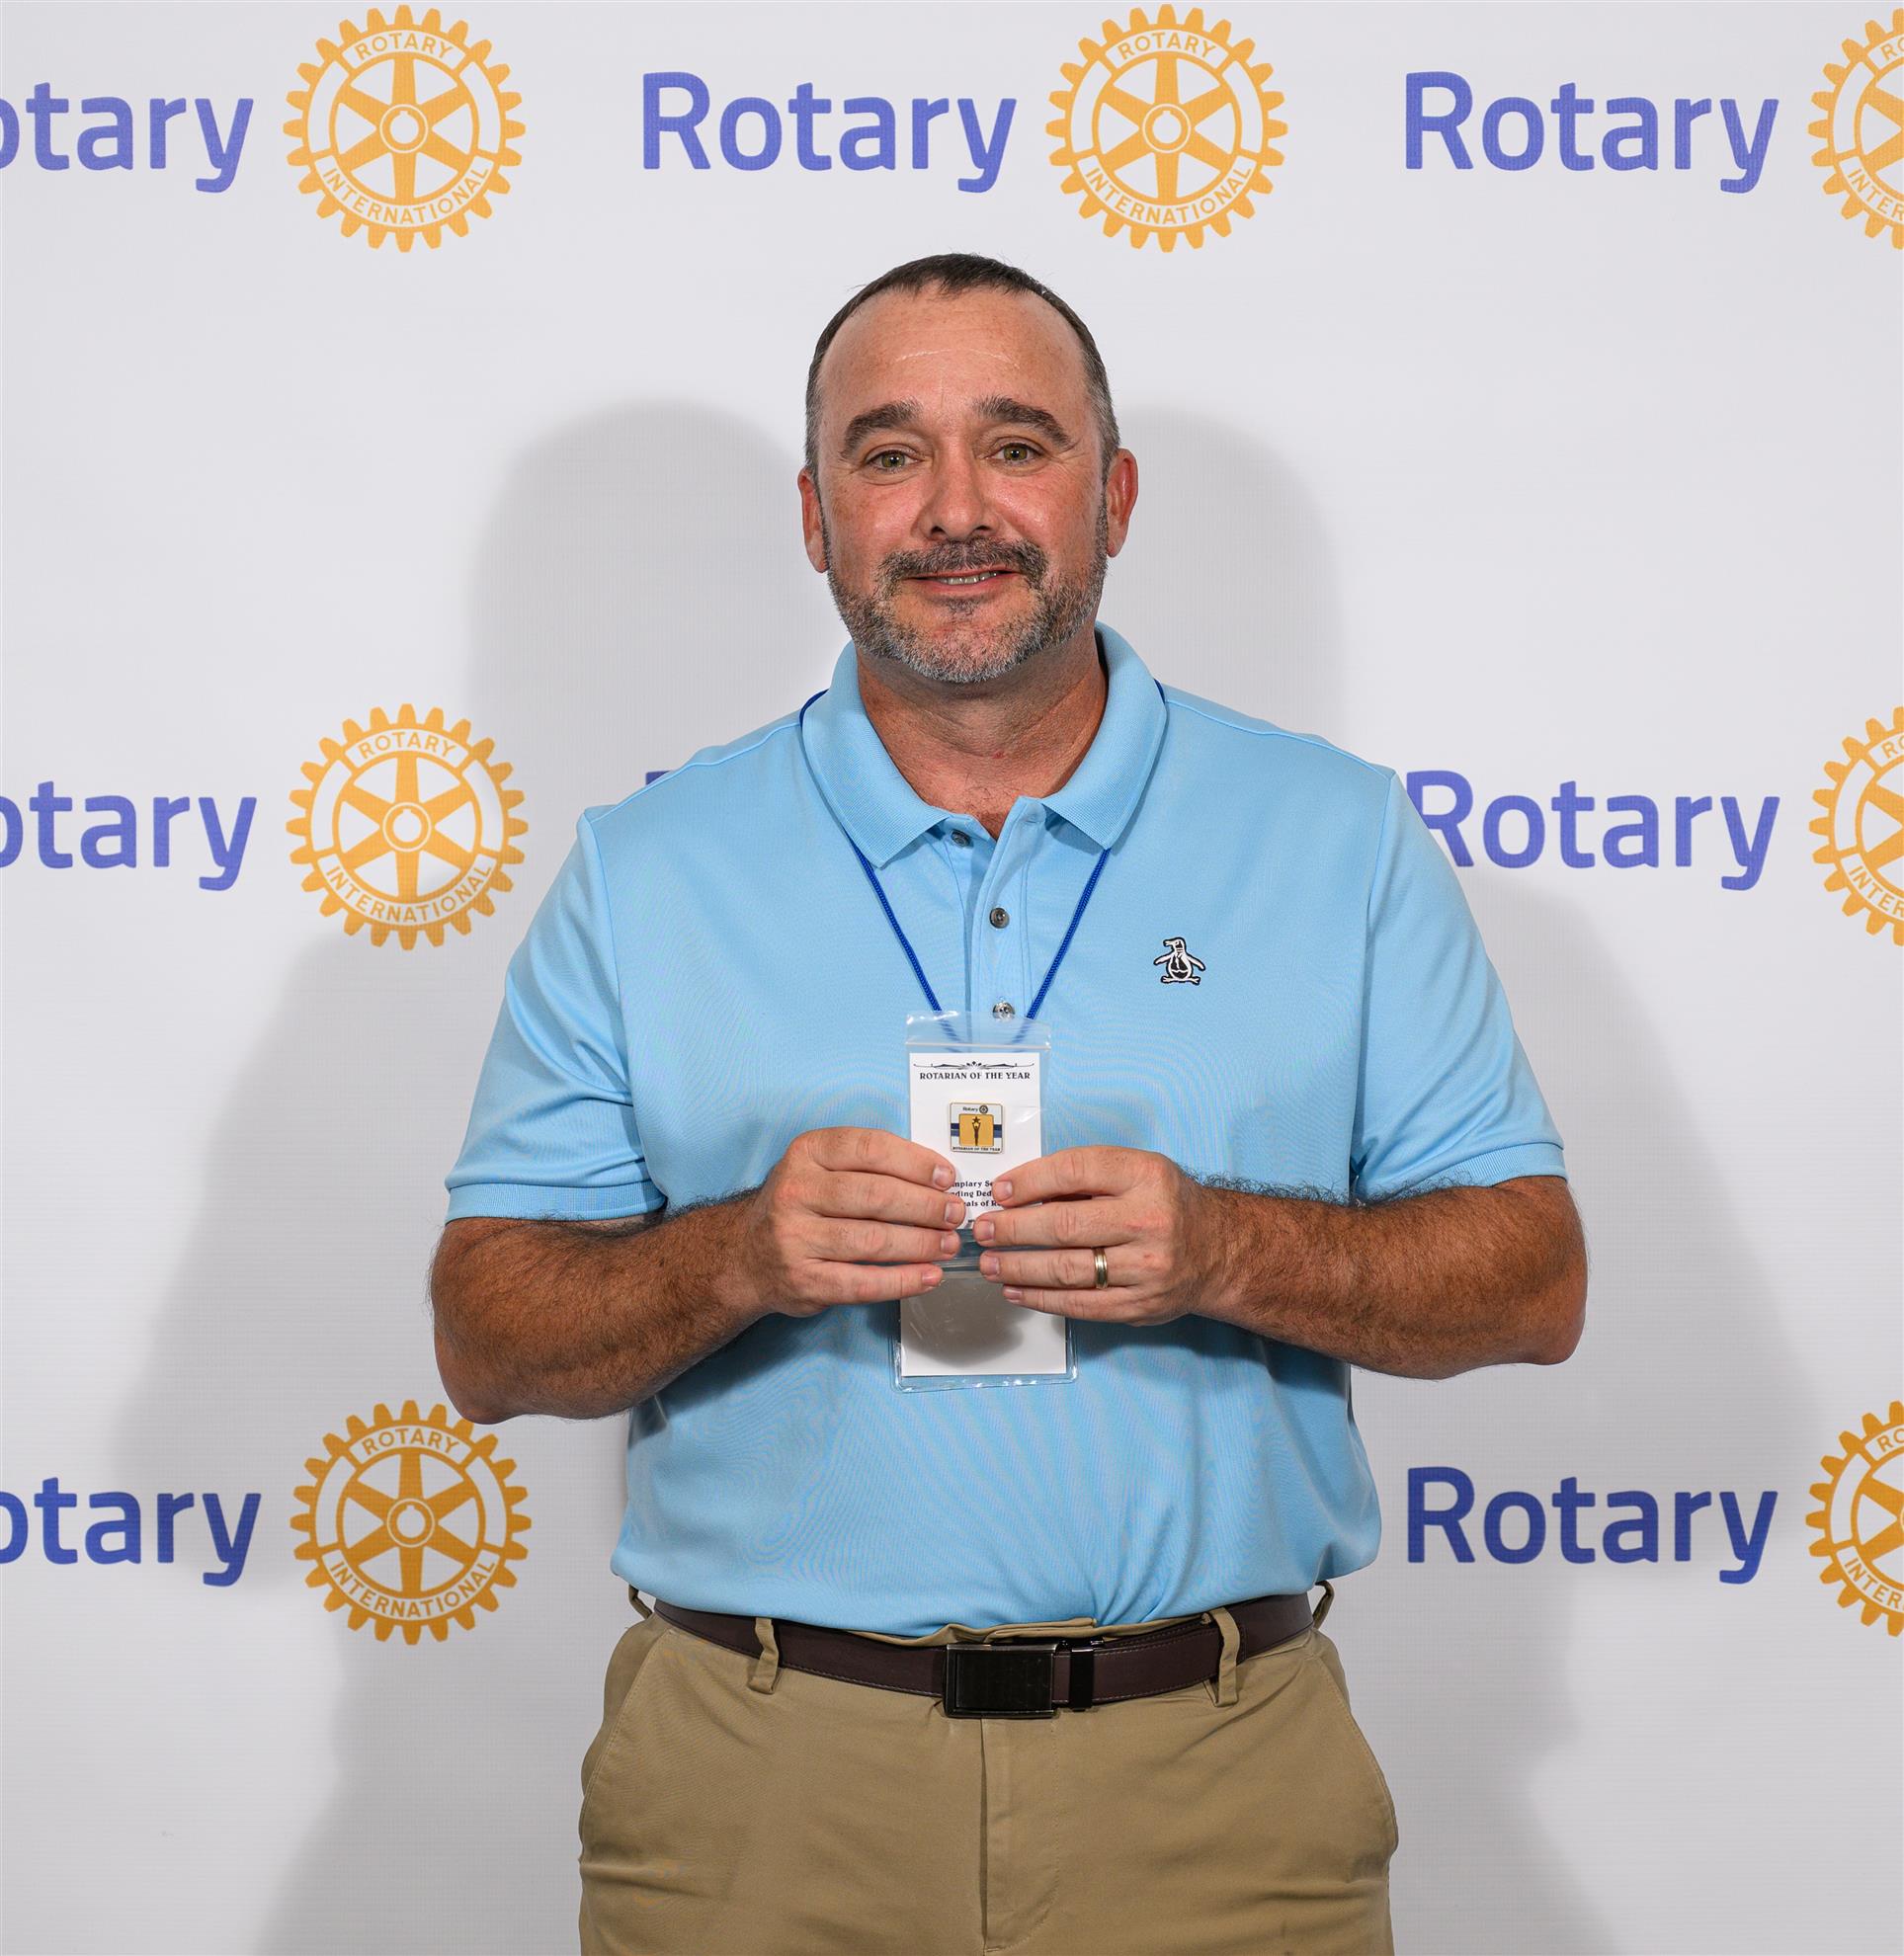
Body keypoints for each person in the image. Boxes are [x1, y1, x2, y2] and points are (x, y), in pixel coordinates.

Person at [431, 252, 1587, 1956]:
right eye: (890, 454)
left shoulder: (1336, 837)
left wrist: (1224, 1249)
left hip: (1217, 1790)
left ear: (1114, 496)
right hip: (759, 1791)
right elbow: (485, 1340)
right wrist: (738, 1256)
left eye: (1019, 445)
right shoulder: (644, 868)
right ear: (816, 517)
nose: (956, 509)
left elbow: (1535, 1284)